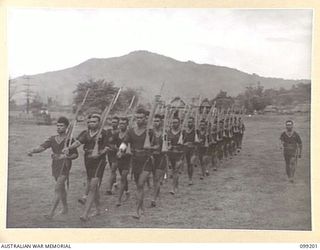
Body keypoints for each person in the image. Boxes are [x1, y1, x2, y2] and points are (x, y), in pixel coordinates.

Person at [27, 116, 78, 220]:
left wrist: (67, 156)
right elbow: (42, 147)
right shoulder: (52, 138)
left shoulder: (70, 140)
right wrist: (32, 150)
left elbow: (76, 155)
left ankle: (51, 213)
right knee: (61, 188)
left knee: (57, 188)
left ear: (67, 128)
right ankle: (65, 208)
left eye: (61, 126)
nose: (59, 128)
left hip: (65, 165)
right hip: (55, 165)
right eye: (57, 126)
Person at [63, 113, 109, 221]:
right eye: (90, 122)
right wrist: (69, 148)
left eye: (94, 122)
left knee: (93, 185)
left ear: (99, 123)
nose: (91, 123)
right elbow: (78, 142)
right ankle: (98, 210)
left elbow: (108, 147)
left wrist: (100, 153)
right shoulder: (85, 133)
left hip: (99, 161)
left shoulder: (104, 133)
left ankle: (85, 214)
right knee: (94, 186)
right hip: (88, 160)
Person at [117, 108, 154, 219]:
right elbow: (125, 142)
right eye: (137, 117)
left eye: (141, 118)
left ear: (145, 119)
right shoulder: (131, 131)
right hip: (135, 161)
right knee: (139, 186)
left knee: (141, 184)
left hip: (147, 161)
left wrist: (151, 147)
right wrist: (120, 150)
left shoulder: (150, 131)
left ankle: (136, 211)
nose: (139, 120)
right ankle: (141, 207)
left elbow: (157, 143)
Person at [150, 114, 166, 208]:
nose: (156, 123)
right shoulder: (150, 132)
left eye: (158, 121)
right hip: (152, 157)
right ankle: (156, 194)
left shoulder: (165, 133)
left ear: (161, 122)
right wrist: (152, 148)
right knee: (153, 178)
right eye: (154, 121)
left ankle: (154, 199)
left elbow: (168, 146)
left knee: (156, 179)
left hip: (161, 158)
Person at [115, 117, 131, 206]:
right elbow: (111, 143)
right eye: (120, 123)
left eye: (124, 123)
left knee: (123, 177)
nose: (121, 125)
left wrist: (122, 151)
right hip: (119, 158)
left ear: (127, 124)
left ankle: (119, 199)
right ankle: (127, 191)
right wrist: (117, 150)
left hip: (128, 158)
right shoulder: (116, 134)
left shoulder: (129, 133)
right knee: (123, 177)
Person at [168, 115, 184, 194]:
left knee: (176, 170)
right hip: (171, 154)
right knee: (173, 169)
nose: (174, 124)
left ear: (179, 123)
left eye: (176, 122)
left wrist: (181, 146)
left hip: (179, 154)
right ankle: (176, 185)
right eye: (173, 122)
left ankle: (173, 188)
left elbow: (185, 143)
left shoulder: (182, 132)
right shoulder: (168, 132)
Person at [105, 116, 120, 195]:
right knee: (112, 169)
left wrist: (116, 148)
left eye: (115, 122)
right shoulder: (108, 131)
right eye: (112, 122)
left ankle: (109, 188)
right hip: (110, 153)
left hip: (117, 153)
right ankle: (115, 183)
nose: (113, 123)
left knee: (113, 170)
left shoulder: (120, 132)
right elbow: (106, 141)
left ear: (118, 123)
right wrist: (107, 147)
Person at [182, 116, 198, 185]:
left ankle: (190, 179)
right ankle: (190, 178)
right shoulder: (184, 131)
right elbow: (182, 141)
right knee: (189, 164)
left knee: (191, 163)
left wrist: (192, 143)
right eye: (188, 122)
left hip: (193, 149)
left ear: (193, 123)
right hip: (187, 149)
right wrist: (184, 143)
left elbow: (199, 141)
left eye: (191, 122)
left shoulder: (196, 131)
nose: (189, 123)